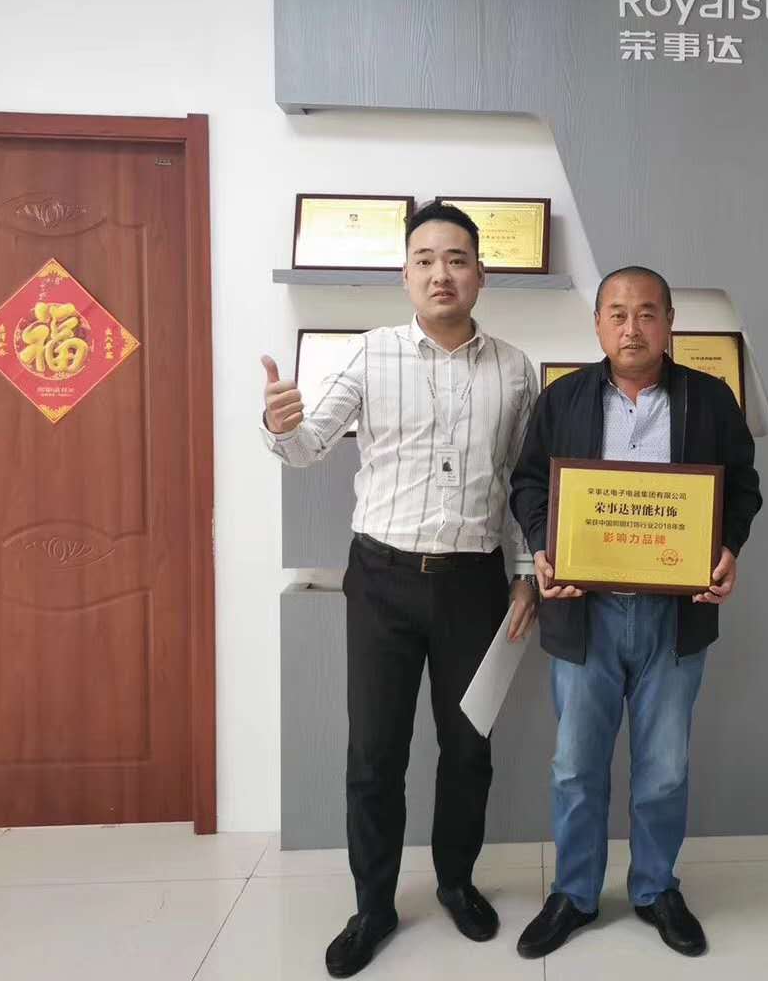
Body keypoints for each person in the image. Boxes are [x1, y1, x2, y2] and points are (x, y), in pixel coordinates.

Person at [260, 202, 540, 978]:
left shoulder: (516, 368)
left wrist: (526, 575)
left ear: (480, 273)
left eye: (456, 259)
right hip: (381, 581)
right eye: (424, 260)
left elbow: (525, 483)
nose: (440, 273)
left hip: (474, 585)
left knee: (468, 748)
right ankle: (373, 907)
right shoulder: (370, 354)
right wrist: (279, 424)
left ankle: (456, 882)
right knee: (373, 754)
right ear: (405, 275)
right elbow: (308, 445)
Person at [508, 266, 762, 959]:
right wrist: (546, 548)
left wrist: (728, 547)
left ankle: (654, 889)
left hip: (673, 616)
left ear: (669, 323)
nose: (632, 327)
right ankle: (574, 893)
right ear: (597, 324)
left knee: (665, 768)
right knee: (574, 767)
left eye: (647, 313)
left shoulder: (709, 399)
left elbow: (742, 486)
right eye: (617, 313)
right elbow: (529, 483)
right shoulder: (563, 399)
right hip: (583, 615)